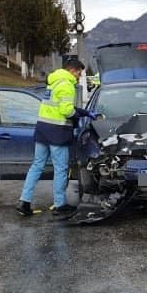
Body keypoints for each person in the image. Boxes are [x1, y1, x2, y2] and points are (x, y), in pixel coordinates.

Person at [16, 59, 98, 217]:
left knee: (37, 166)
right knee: (60, 169)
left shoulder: (53, 83)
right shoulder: (67, 85)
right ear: (73, 70)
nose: (78, 77)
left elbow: (59, 106)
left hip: (42, 130)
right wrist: (77, 119)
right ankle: (60, 205)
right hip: (57, 132)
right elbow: (66, 111)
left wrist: (86, 112)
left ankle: (24, 202)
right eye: (79, 73)